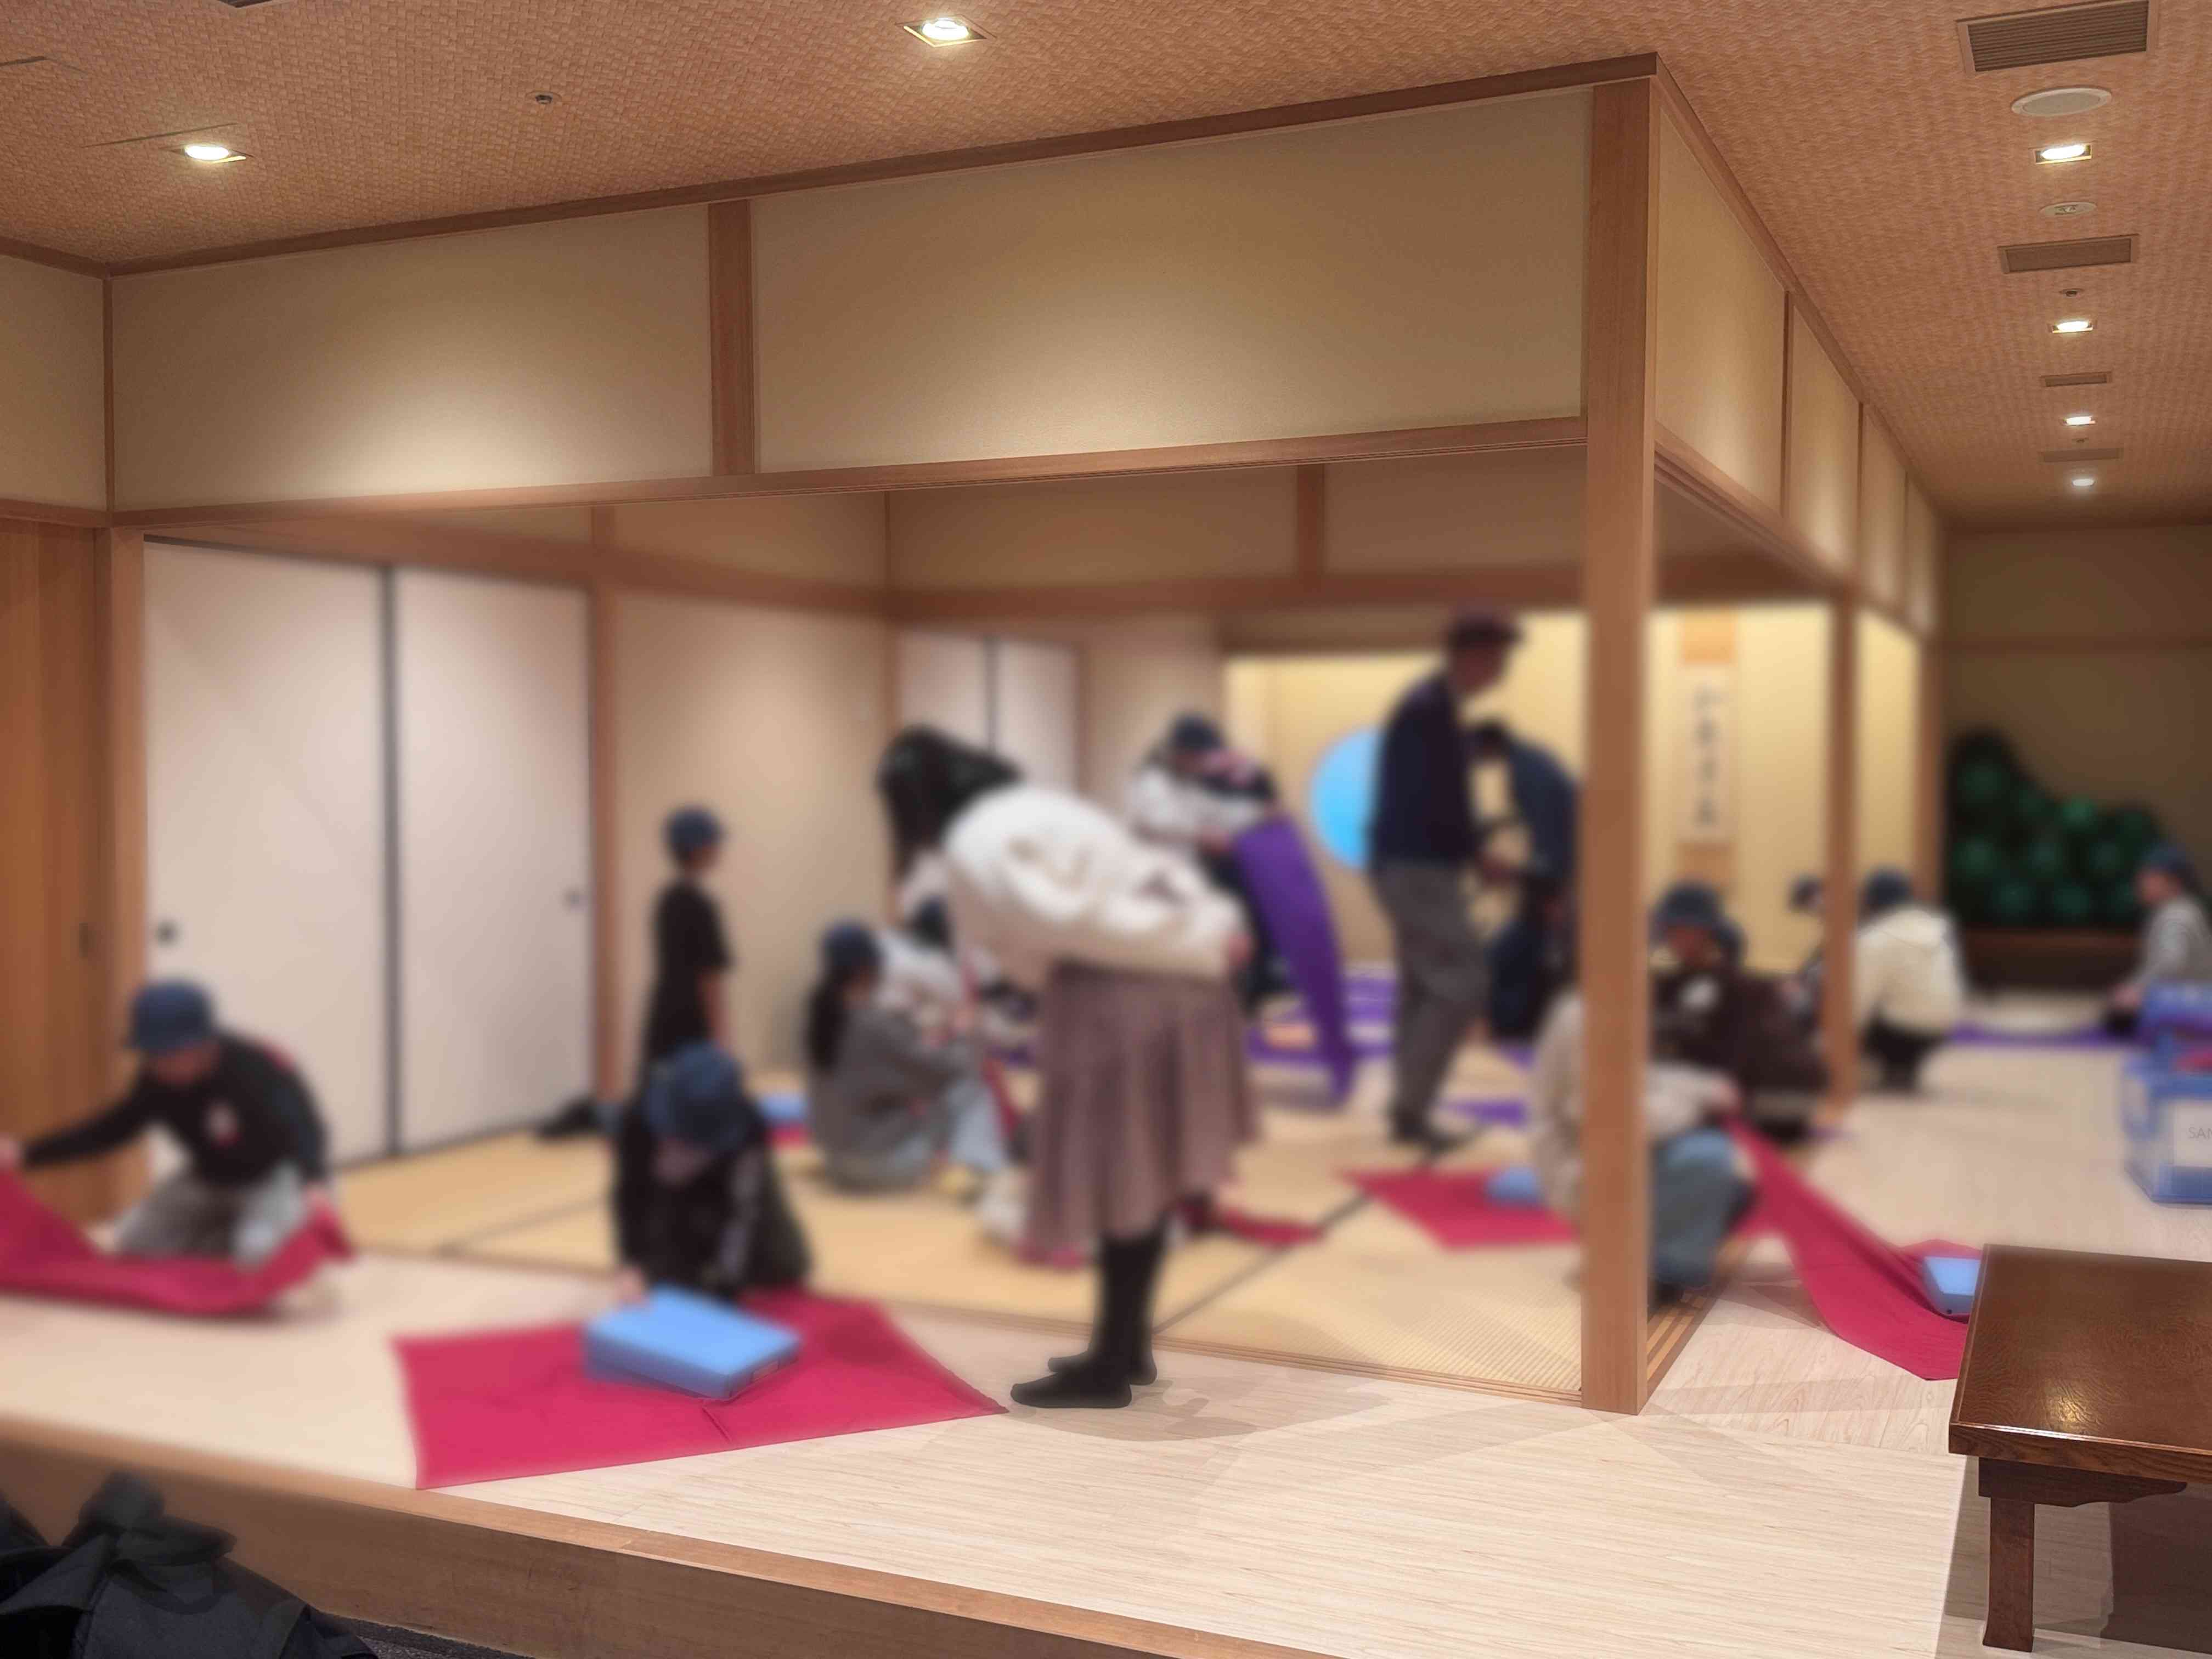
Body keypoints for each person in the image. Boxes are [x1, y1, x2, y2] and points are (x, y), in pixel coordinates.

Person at [877, 726, 1252, 1409]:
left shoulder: (979, 840)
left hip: (1122, 992)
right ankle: (1125, 1346)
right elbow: (1148, 880)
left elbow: (1073, 923)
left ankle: (1110, 1363)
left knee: (1123, 1179)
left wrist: (1196, 936)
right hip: (1179, 987)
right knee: (1144, 1177)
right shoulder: (1043, 808)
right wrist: (1210, 926)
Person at [0, 981, 330, 1266]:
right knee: (137, 1243)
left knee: (259, 1256)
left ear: (203, 1043)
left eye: (171, 1053)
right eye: (153, 1054)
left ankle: (262, 1229)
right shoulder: (155, 1080)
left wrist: (313, 1181)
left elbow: (302, 1126)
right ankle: (231, 1234)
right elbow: (111, 1129)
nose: (160, 1064)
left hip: (268, 1179)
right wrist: (26, 1153)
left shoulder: (254, 1069)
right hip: (207, 1178)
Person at [1369, 608, 1522, 1144]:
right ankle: (1410, 1107)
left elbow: (1438, 802)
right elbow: (1432, 802)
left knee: (1423, 984)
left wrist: (1473, 849)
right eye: (1499, 659)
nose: (1502, 671)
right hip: (1418, 865)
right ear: (1471, 655)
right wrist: (1476, 853)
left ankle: (1407, 1108)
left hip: (1409, 862)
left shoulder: (1432, 707)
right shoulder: (1428, 712)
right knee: (1462, 981)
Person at [1527, 991, 1750, 1305]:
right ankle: (1657, 1268)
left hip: (1611, 1150)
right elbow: (1609, 1114)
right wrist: (1696, 1105)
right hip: (1584, 1164)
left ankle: (1658, 1256)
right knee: (1709, 1159)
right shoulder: (1584, 1016)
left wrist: (1703, 1089)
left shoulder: (1613, 1006)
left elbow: (1643, 1079)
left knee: (1734, 1173)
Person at [804, 921, 1010, 1197]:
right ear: (868, 969)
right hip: (878, 1165)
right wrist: (963, 1034)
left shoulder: (820, 1021)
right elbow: (945, 1071)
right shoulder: (872, 1025)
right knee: (970, 1087)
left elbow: (884, 1072)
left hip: (835, 1162)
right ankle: (983, 1175)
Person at [612, 1041, 809, 1304]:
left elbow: (744, 1211)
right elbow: (630, 1194)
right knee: (667, 1272)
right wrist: (631, 1262)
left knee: (785, 1262)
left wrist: (724, 1288)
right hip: (669, 1201)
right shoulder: (639, 1119)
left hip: (721, 1194)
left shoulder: (747, 1124)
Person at [1126, 713, 1284, 1009]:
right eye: (1199, 759)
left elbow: (1215, 810)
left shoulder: (1186, 784)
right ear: (1182, 753)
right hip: (1154, 883)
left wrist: (1258, 812)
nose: (1203, 766)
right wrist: (1201, 836)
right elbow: (1156, 820)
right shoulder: (1150, 782)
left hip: (1184, 881)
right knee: (1162, 960)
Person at [1650, 882, 1829, 1141]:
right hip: (1750, 1095)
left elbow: (1731, 1058)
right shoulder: (1670, 984)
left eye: (1686, 929)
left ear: (1709, 931)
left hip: (1763, 1103)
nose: (1678, 938)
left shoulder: (1734, 987)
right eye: (1673, 930)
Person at [1465, 718, 1578, 1039]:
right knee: (1504, 959)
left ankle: (1512, 1030)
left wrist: (1546, 891)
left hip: (1551, 891)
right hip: (1549, 887)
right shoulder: (1530, 761)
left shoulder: (1527, 771)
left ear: (1484, 746)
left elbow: (1553, 841)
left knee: (1506, 962)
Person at [639, 806, 734, 1081]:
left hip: (663, 1018)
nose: (717, 850)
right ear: (697, 849)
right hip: (692, 1026)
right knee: (696, 1098)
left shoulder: (667, 900)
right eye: (713, 843)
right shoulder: (700, 905)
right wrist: (721, 1042)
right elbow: (709, 979)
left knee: (659, 1096)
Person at [1853, 868, 1966, 1091]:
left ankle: (1894, 1065)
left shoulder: (1876, 937)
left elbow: (1860, 997)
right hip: (1943, 1026)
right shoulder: (1936, 928)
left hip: (1899, 1029)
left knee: (1860, 1011)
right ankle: (1904, 1069)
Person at [2106, 843, 2212, 1035]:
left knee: (2126, 1009)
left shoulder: (2178, 914)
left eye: (2150, 878)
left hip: (2197, 999)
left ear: (2174, 883)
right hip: (2190, 995)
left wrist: (2137, 988)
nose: (2142, 884)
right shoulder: (2172, 910)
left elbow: (2171, 964)